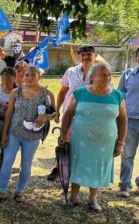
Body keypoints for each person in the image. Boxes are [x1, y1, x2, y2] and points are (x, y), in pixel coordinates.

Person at [60, 62, 127, 212]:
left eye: (109, 75)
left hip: (105, 143)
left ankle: (92, 199)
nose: (107, 78)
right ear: (92, 77)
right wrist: (63, 135)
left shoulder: (117, 95)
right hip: (80, 140)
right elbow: (68, 115)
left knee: (97, 167)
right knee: (78, 165)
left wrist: (120, 142)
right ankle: (73, 198)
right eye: (103, 75)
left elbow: (123, 120)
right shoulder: (80, 93)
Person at [0, 66, 56, 201]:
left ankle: (20, 190)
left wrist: (46, 116)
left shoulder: (47, 93)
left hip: (32, 136)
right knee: (7, 161)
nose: (29, 78)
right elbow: (9, 113)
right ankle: (2, 189)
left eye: (33, 75)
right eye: (26, 75)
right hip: (14, 132)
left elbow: (55, 113)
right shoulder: (16, 92)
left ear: (39, 77)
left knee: (26, 164)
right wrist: (4, 134)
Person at [48, 45, 98, 181]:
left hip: (89, 116)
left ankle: (77, 170)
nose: (86, 57)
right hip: (69, 114)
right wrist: (57, 109)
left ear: (95, 56)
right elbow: (63, 91)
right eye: (83, 54)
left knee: (84, 143)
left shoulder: (99, 73)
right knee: (64, 141)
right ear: (79, 56)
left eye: (89, 54)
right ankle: (58, 168)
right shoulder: (70, 71)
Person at [119, 48, 139, 197]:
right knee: (127, 154)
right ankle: (125, 184)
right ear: (137, 57)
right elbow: (118, 98)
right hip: (130, 120)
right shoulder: (127, 74)